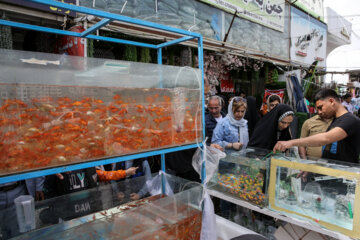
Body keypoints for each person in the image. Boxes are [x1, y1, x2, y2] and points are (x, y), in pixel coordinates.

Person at [273, 89, 360, 163]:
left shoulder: (350, 120)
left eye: (320, 107)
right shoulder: (336, 120)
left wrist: (291, 142)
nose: (319, 112)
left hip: (345, 177)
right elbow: (328, 152)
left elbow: (325, 139)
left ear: (331, 101)